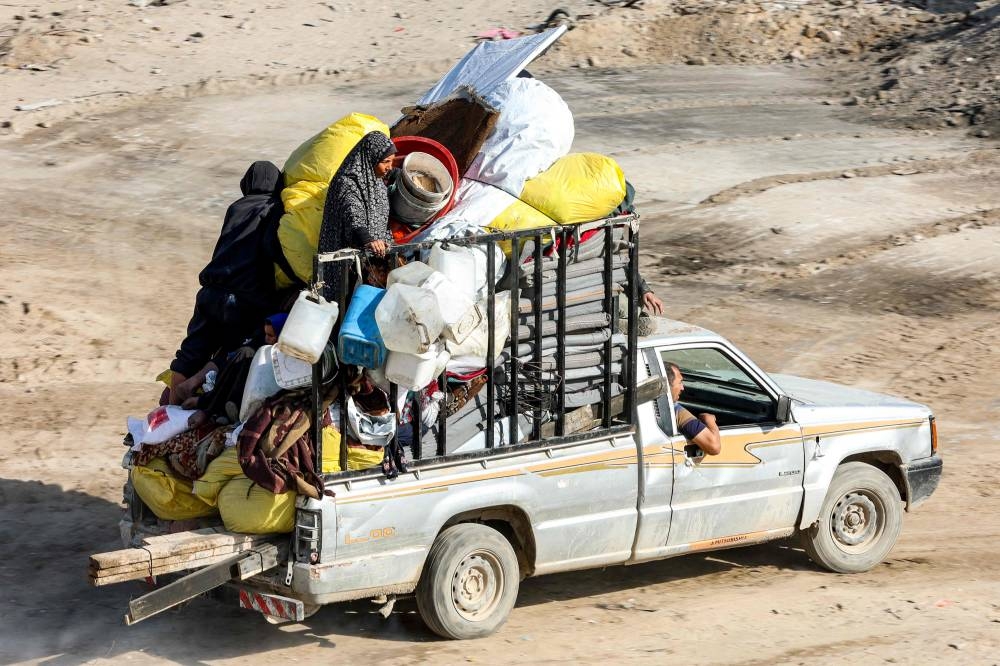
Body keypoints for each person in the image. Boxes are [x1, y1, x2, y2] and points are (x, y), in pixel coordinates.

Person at [169, 161, 291, 404]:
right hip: (246, 296)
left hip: (211, 291)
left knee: (191, 351)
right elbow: (271, 247)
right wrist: (293, 274)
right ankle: (200, 386)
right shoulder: (273, 209)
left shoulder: (235, 207)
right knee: (242, 346)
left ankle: (170, 407)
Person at [317, 131, 398, 301]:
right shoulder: (347, 182)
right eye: (386, 162)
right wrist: (368, 240)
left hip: (371, 257)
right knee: (346, 303)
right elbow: (352, 212)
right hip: (346, 261)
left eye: (392, 161)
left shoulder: (374, 178)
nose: (389, 167)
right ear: (370, 159)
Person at [665, 362, 721, 455]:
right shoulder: (675, 411)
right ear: (667, 385)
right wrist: (709, 420)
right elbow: (714, 447)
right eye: (679, 382)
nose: (682, 388)